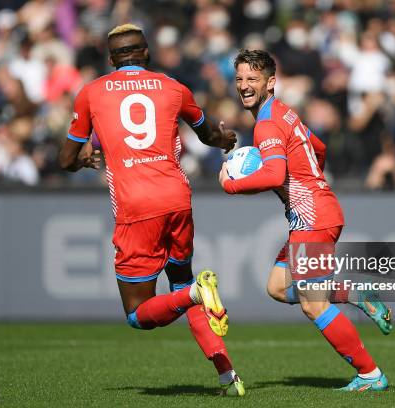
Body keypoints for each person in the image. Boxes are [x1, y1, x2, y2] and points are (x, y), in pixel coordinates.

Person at [58, 24, 245, 396]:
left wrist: (82, 159)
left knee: (137, 315)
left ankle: (196, 295)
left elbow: (65, 159)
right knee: (181, 282)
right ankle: (227, 376)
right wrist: (226, 139)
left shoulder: (92, 93)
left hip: (136, 207)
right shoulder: (174, 88)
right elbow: (207, 134)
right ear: (145, 52)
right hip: (177, 198)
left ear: (112, 60)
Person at [219, 49, 391, 391]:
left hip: (313, 217)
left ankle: (371, 375)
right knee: (278, 287)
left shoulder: (267, 122)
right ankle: (354, 294)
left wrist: (231, 184)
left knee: (314, 306)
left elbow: (272, 174)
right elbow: (319, 147)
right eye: (239, 79)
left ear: (271, 82)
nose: (244, 86)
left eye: (252, 79)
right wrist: (309, 181)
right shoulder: (283, 113)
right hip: (314, 213)